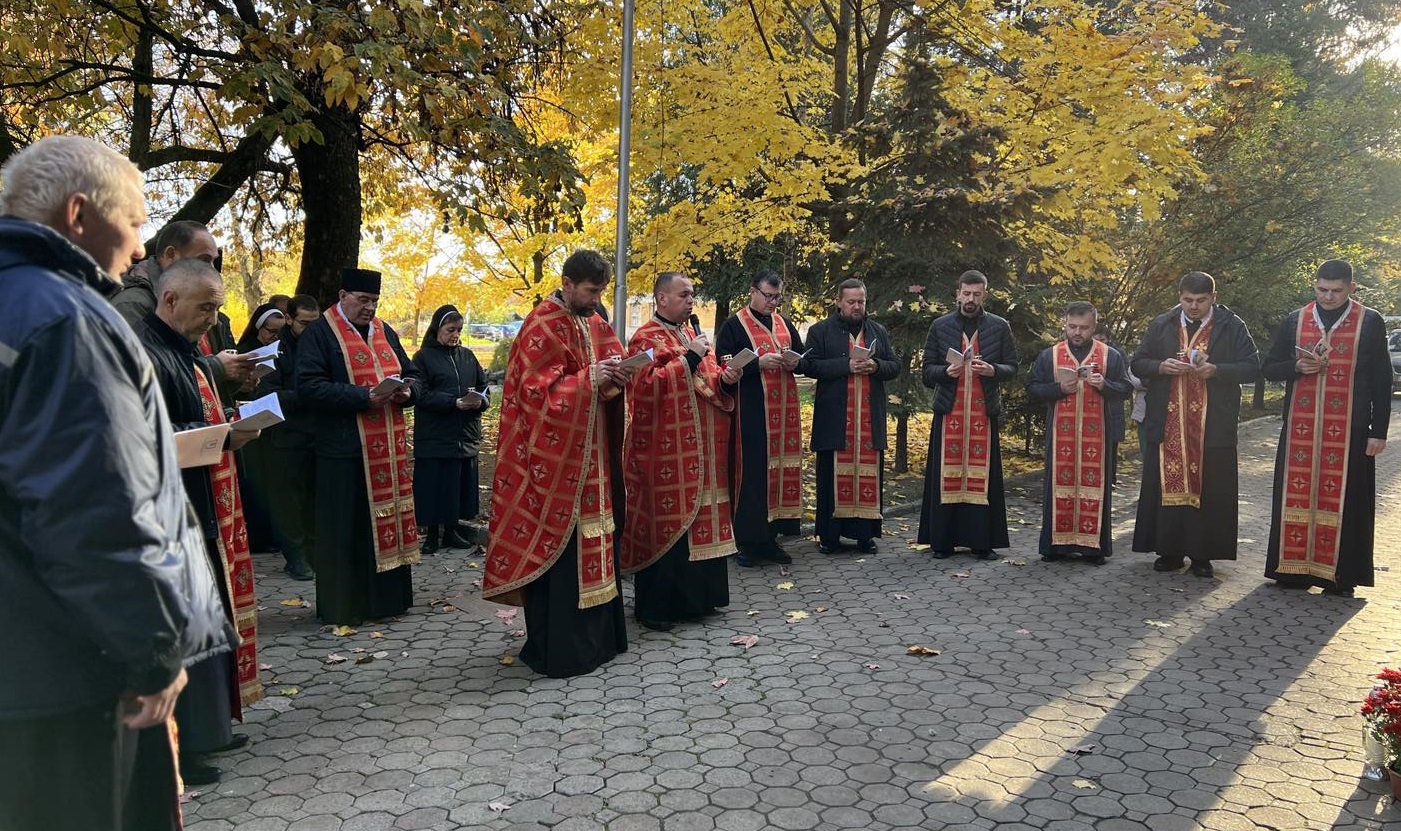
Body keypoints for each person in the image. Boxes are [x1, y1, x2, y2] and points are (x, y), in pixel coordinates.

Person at [0, 134, 231, 830]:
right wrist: (153, 652)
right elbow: (94, 508)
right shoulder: (66, 319)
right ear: (79, 215)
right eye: (133, 223)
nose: (136, 249)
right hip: (69, 675)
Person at [135, 259, 264, 786]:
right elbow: (149, 432)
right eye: (206, 306)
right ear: (169, 300)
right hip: (173, 515)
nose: (215, 318)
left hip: (203, 509)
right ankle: (185, 750)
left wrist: (225, 425)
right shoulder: (145, 351)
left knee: (211, 627)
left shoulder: (187, 349)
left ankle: (210, 729)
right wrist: (221, 437)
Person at [484, 250, 635, 677]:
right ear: (567, 283)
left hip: (594, 460)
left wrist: (616, 378)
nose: (596, 298)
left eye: (602, 291)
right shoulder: (541, 324)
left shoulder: (592, 320)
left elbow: (611, 373)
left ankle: (601, 641)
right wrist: (591, 379)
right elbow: (533, 394)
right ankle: (563, 650)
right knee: (564, 551)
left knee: (599, 541)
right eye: (591, 290)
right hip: (555, 466)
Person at [297, 268, 421, 624]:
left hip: (388, 451)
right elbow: (309, 387)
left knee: (382, 526)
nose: (369, 308)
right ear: (342, 296)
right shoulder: (321, 333)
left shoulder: (385, 332)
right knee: (346, 530)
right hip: (344, 450)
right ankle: (346, 606)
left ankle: (388, 601)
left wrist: (409, 390)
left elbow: (413, 373)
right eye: (363, 300)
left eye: (375, 302)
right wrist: (362, 397)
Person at [1262, 260, 1390, 597]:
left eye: (1336, 290)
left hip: (1351, 428)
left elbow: (1382, 378)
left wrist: (1379, 430)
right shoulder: (1296, 319)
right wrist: (1297, 366)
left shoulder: (1370, 321)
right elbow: (1270, 368)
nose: (1328, 296)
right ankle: (1292, 571)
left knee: (1348, 498)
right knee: (1296, 491)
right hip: (1300, 432)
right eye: (1322, 290)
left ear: (1352, 288)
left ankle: (1340, 575)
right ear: (1315, 285)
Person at [620, 272, 740, 631]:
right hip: (665, 453)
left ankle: (698, 601)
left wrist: (725, 377)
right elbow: (642, 388)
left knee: (702, 522)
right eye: (684, 294)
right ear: (661, 299)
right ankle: (658, 607)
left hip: (702, 451)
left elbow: (709, 376)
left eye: (692, 294)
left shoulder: (690, 334)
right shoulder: (644, 339)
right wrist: (688, 359)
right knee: (668, 524)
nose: (691, 300)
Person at [1131, 271, 1261, 577]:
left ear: (1213, 298)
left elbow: (1252, 367)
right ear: (1179, 297)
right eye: (1188, 300)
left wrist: (1217, 370)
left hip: (1212, 425)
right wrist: (1160, 366)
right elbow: (1138, 362)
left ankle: (1203, 555)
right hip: (1166, 421)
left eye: (1201, 301)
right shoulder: (1162, 323)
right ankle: (1169, 551)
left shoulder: (1232, 325)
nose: (1193, 307)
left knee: (1211, 487)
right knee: (1164, 485)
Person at [916, 270, 1019, 560]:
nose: (970, 299)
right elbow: (926, 372)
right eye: (966, 293)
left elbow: (1012, 367)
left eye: (976, 294)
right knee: (945, 477)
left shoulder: (999, 326)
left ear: (985, 294)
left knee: (982, 477)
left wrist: (994, 370)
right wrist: (945, 373)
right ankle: (942, 542)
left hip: (983, 415)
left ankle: (982, 543)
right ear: (957, 293)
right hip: (949, 414)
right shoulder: (940, 326)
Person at [1027, 302, 1132, 565]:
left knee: (1096, 487)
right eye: (1072, 326)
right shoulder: (1050, 355)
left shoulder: (1110, 356)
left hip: (1097, 436)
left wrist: (1104, 384)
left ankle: (1092, 548)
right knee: (1057, 484)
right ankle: (1055, 546)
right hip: (1060, 434)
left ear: (1093, 327)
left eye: (1083, 328)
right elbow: (1032, 389)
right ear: (1065, 324)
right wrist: (1059, 389)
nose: (1077, 332)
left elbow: (1126, 389)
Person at [715, 270, 807, 566]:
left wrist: (795, 361)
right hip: (751, 412)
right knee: (752, 475)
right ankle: (747, 541)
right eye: (768, 296)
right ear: (753, 291)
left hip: (784, 414)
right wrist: (759, 363)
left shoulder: (783, 322)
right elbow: (723, 362)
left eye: (777, 297)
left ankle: (770, 539)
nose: (773, 302)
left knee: (777, 473)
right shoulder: (734, 324)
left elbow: (801, 354)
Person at [804, 278, 902, 554]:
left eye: (861, 301)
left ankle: (865, 536)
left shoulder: (877, 331)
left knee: (867, 477)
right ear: (838, 302)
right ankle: (829, 537)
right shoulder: (820, 330)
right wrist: (846, 365)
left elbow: (895, 366)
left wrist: (876, 365)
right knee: (831, 479)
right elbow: (809, 365)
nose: (857, 307)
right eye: (851, 302)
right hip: (834, 420)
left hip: (869, 421)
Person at [110, 219, 253, 393]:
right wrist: (216, 368)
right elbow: (131, 381)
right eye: (204, 259)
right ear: (171, 255)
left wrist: (234, 380)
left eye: (213, 261)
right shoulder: (133, 304)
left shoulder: (200, 300)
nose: (212, 270)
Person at [412, 304, 490, 554]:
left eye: (458, 330)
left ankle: (452, 529)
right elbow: (420, 394)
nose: (455, 335)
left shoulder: (467, 356)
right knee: (435, 484)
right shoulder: (423, 358)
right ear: (437, 329)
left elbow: (483, 385)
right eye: (450, 330)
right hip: (436, 433)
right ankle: (432, 534)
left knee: (458, 484)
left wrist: (482, 401)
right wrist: (452, 402)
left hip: (464, 432)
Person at [255, 293, 321, 580]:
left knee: (313, 498)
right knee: (288, 501)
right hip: (286, 438)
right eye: (304, 323)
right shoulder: (275, 351)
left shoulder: (321, 346)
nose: (310, 329)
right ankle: (294, 555)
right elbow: (266, 393)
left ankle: (314, 551)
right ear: (290, 319)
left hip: (317, 435)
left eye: (315, 323)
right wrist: (309, 393)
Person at [235, 302, 290, 557]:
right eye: (270, 331)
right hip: (254, 423)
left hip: (277, 425)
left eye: (280, 332)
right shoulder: (245, 352)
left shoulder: (283, 350)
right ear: (259, 328)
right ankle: (258, 538)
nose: (274, 337)